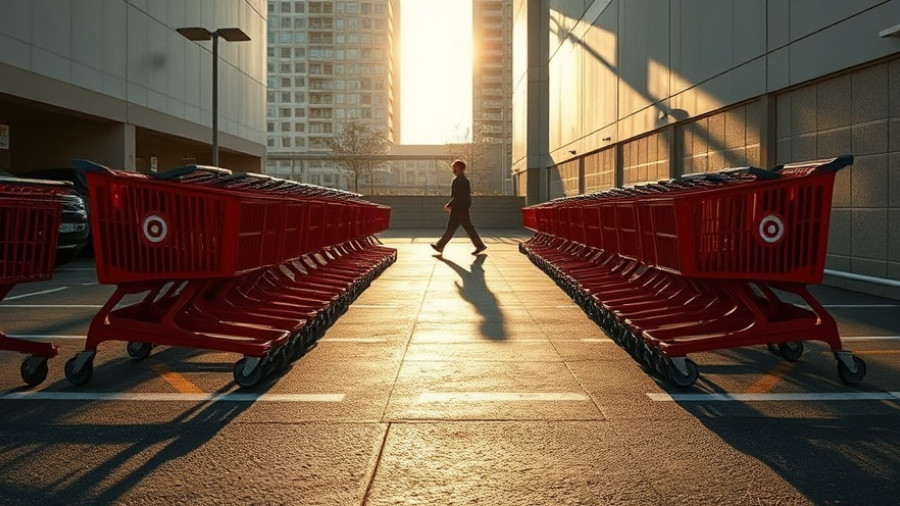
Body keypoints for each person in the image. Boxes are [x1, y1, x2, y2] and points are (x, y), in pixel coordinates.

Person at [431, 159, 487, 256]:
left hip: (459, 209)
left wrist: (449, 204)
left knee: (460, 228)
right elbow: (464, 196)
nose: (453, 168)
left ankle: (440, 245)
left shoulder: (458, 180)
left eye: (454, 166)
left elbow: (458, 196)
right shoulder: (464, 180)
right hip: (461, 208)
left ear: (458, 168)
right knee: (456, 228)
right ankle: (440, 245)